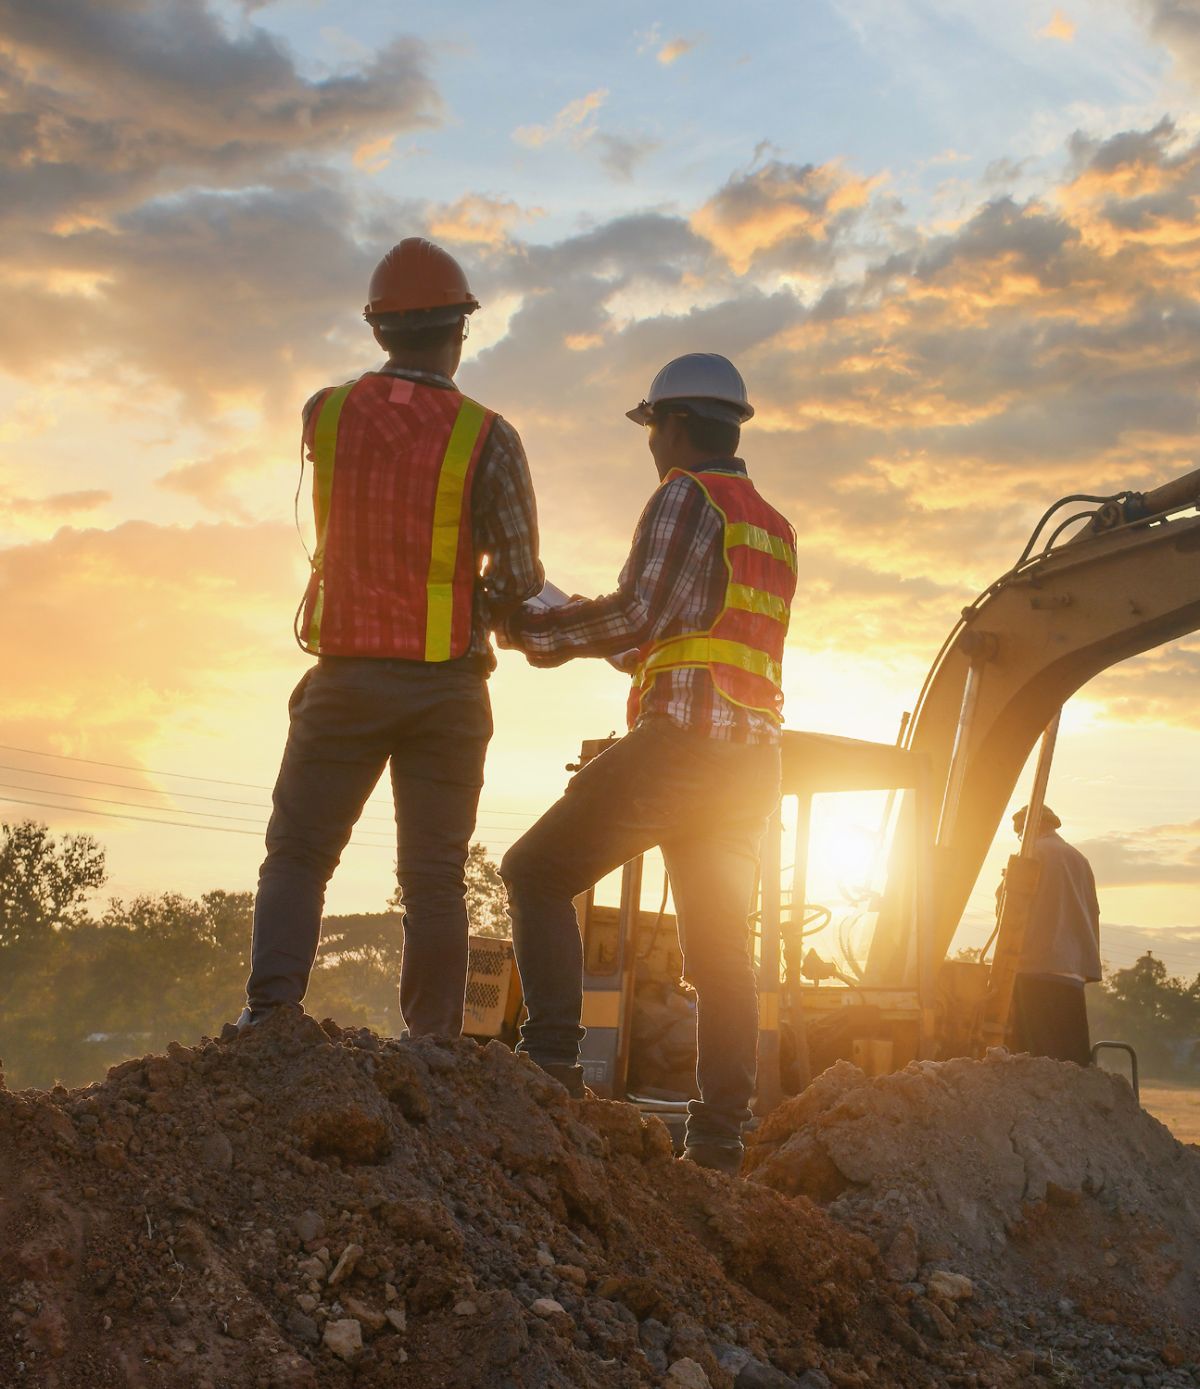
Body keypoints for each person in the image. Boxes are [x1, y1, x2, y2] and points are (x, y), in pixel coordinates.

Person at [233, 238, 542, 1037]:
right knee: (435, 877)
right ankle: (433, 1049)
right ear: (460, 332)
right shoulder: (490, 437)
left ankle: (269, 1019)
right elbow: (517, 577)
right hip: (447, 687)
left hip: (346, 678)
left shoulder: (325, 413)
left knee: (299, 852)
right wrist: (469, 602)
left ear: (377, 330)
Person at [498, 353, 796, 1176]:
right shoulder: (771, 524)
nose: (652, 446)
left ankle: (549, 1067)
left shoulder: (683, 495)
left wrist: (531, 629)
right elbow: (672, 640)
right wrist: (580, 625)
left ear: (676, 424)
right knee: (721, 954)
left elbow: (635, 613)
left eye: (653, 428)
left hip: (682, 750)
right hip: (750, 766)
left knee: (534, 871)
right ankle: (720, 1138)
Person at [1003, 804, 1101, 1065]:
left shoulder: (1030, 853)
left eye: (1020, 833)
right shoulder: (1080, 860)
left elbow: (1008, 909)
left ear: (1029, 827)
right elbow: (1093, 910)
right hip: (1073, 973)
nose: (1020, 838)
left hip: (1034, 968)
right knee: (1069, 1060)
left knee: (1030, 1059)